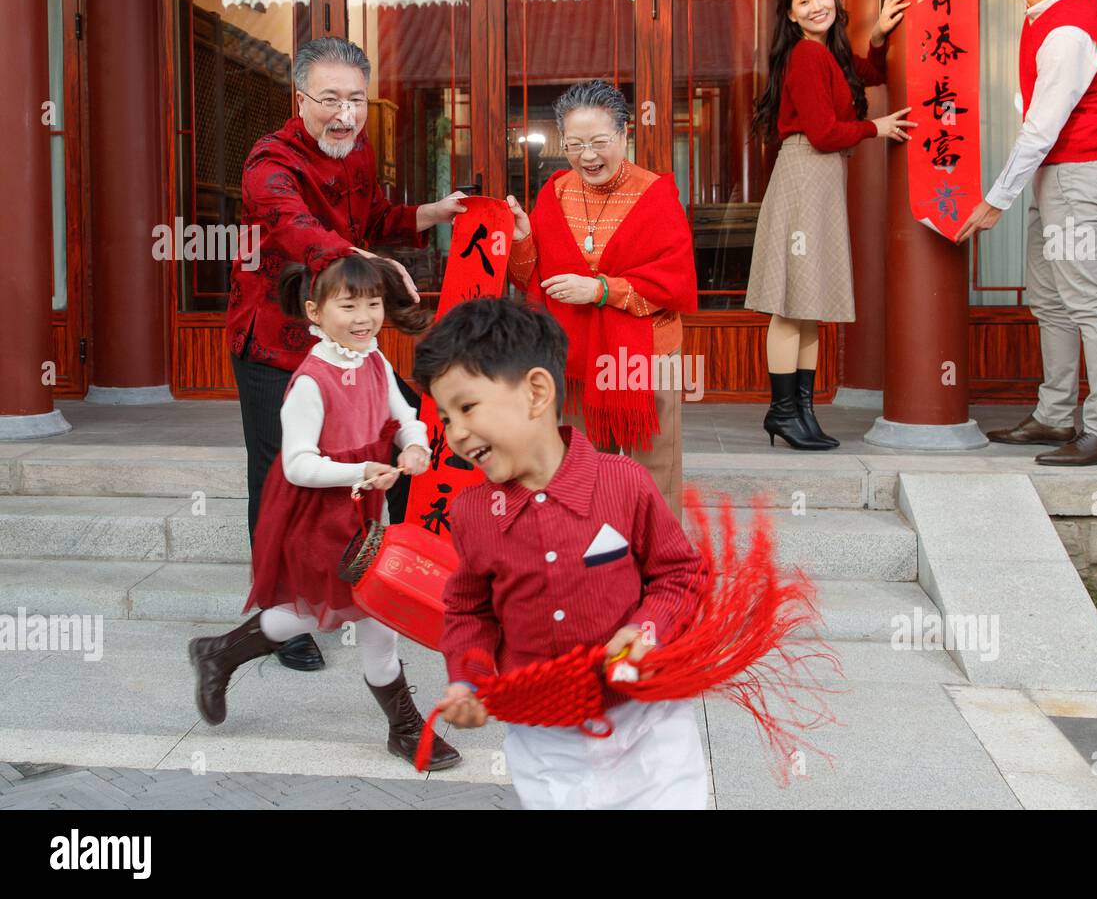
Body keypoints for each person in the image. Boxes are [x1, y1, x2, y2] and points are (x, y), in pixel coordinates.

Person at [412, 297, 709, 809]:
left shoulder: (624, 483)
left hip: (648, 720)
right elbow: (469, 611)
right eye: (444, 416)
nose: (455, 432)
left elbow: (681, 574)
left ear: (536, 392)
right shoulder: (472, 514)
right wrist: (469, 677)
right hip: (543, 734)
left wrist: (646, 630)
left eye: (466, 407)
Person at [227, 36, 467, 670]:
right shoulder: (267, 162)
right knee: (280, 477)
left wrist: (435, 212)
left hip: (347, 341)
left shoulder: (356, 149)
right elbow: (302, 231)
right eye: (330, 99)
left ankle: (374, 582)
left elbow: (377, 217)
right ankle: (283, 615)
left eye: (357, 100)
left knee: (396, 439)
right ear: (299, 97)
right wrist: (365, 263)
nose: (345, 114)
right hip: (275, 344)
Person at [191, 255, 462, 770]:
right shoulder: (312, 381)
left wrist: (415, 446)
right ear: (315, 312)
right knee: (355, 607)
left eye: (373, 304)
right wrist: (361, 471)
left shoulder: (375, 361)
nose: (364, 316)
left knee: (333, 609)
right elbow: (297, 465)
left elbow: (404, 415)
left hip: (359, 513)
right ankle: (406, 731)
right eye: (349, 305)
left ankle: (219, 653)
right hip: (317, 518)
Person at [956, 0, 1097, 466]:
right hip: (1055, 177)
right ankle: (1054, 415)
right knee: (1050, 300)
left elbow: (1038, 132)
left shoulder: (1068, 33)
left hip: (1077, 178)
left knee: (1088, 302)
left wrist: (993, 202)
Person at [504, 80, 697, 518]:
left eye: (598, 142)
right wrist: (521, 240)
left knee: (655, 466)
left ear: (625, 135)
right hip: (577, 353)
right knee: (581, 463)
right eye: (574, 144)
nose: (587, 156)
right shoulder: (553, 193)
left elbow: (675, 283)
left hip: (647, 351)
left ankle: (660, 561)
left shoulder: (656, 195)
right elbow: (532, 280)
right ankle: (591, 561)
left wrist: (602, 290)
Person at [746, 0, 915, 450]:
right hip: (805, 171)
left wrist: (879, 33)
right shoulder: (805, 55)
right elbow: (821, 133)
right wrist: (874, 129)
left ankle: (802, 412)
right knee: (790, 305)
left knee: (810, 303)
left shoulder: (829, 53)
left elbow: (873, 72)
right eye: (803, 2)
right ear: (792, 16)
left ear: (836, 1)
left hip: (821, 176)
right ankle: (783, 412)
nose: (815, 5)